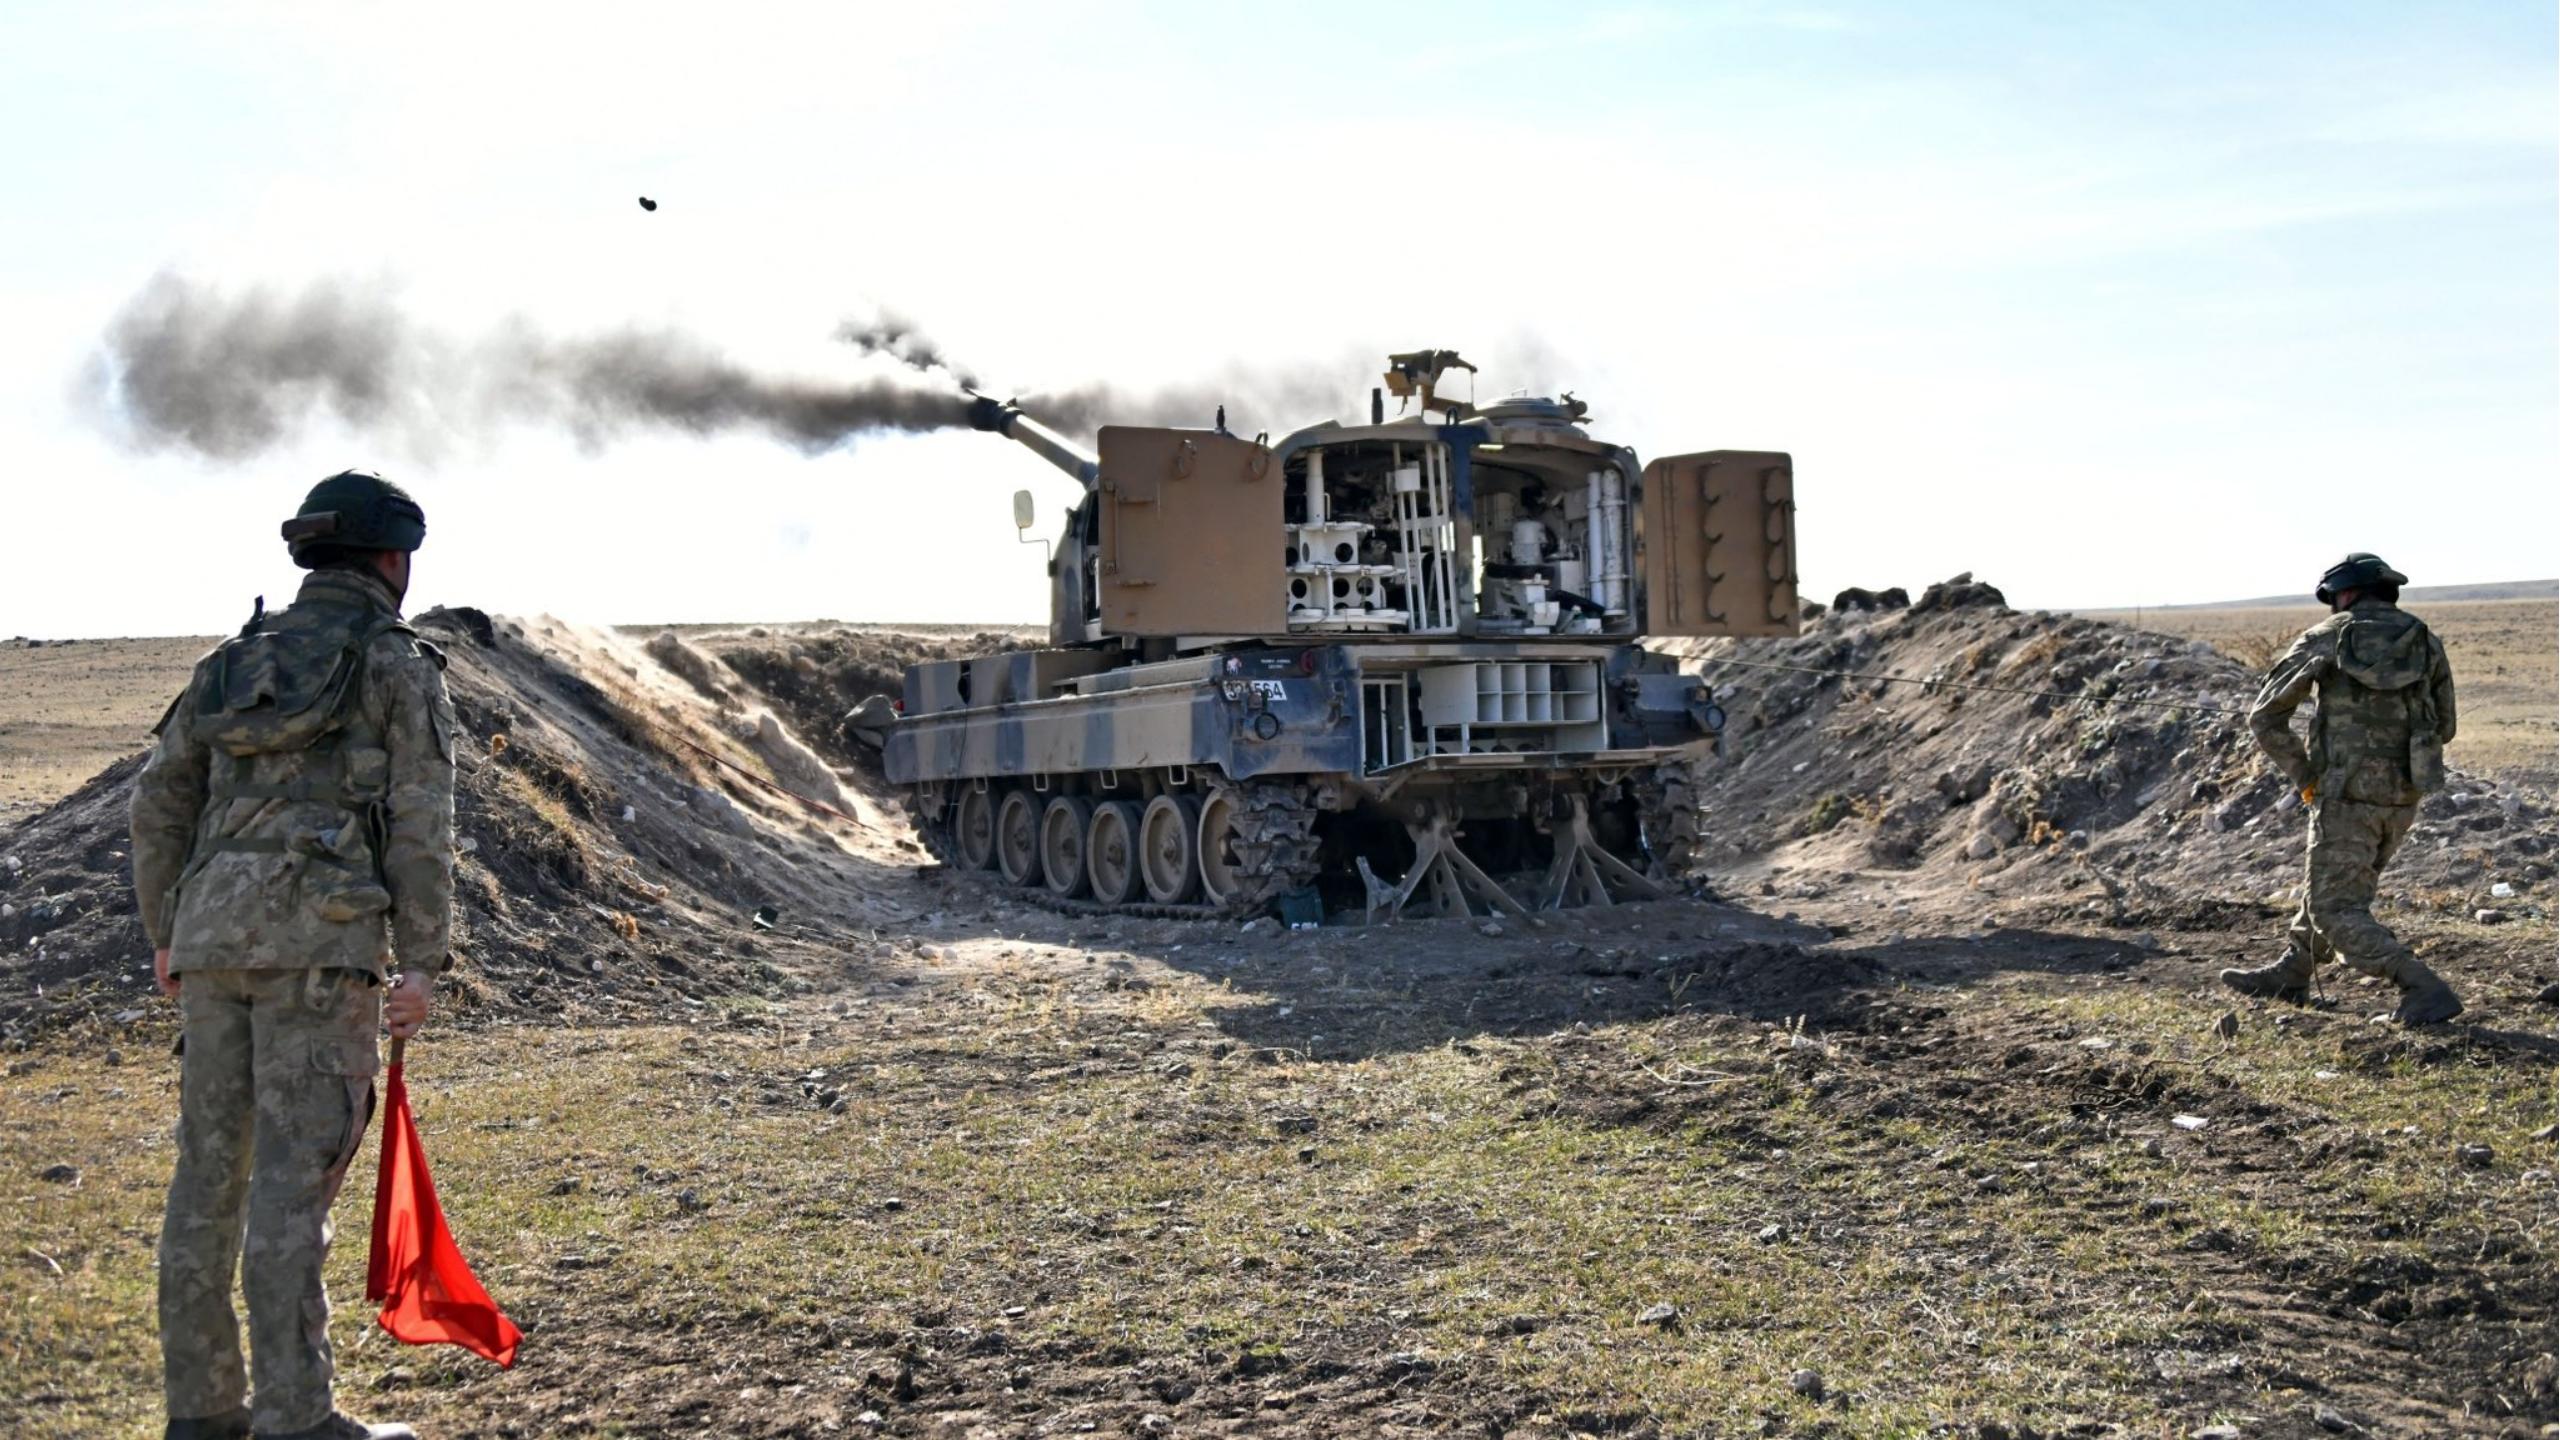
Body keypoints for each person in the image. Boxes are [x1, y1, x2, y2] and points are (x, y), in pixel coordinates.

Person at [130, 470, 458, 1440]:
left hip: (211, 944)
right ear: (394, 560)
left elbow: (156, 806)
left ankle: (201, 1414)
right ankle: (296, 1419)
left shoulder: (230, 663)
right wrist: (422, 962)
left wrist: (167, 933)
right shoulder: (399, 666)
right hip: (323, 950)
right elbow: (420, 821)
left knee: (205, 1185)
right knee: (290, 1186)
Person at [2221, 552, 2461, 1024]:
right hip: (2403, 795)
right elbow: (2446, 725)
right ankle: (2292, 974)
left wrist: (2306, 776)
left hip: (2343, 794)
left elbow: (2265, 717)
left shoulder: (2326, 637)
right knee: (2336, 889)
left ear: (2343, 594)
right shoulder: (2424, 640)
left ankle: (2421, 985)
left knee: (2335, 907)